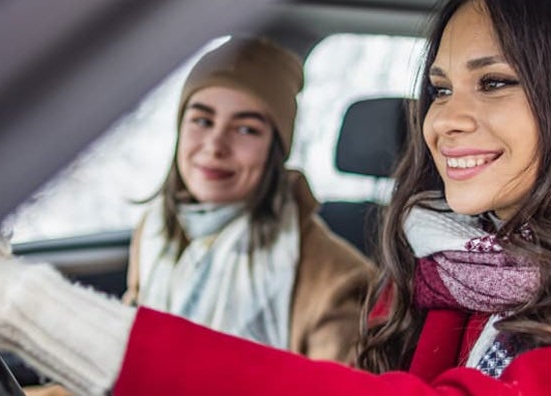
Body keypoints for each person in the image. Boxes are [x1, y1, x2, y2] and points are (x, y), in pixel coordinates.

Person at [0, 1, 551, 395]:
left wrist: (20, 306)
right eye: (438, 88)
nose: (446, 121)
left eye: (493, 83)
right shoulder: (445, 267)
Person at [122, 37, 374, 362]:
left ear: (275, 150)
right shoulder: (155, 232)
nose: (215, 145)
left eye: (245, 130)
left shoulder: (339, 281)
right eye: (202, 120)